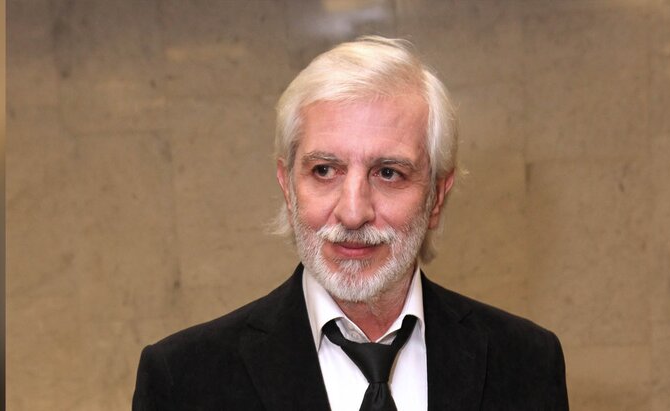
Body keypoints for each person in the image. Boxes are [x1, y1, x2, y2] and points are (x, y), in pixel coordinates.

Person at [132, 36, 568, 411]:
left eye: (388, 173)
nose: (353, 212)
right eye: (324, 170)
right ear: (288, 187)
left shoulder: (526, 362)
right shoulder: (183, 381)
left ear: (437, 196)